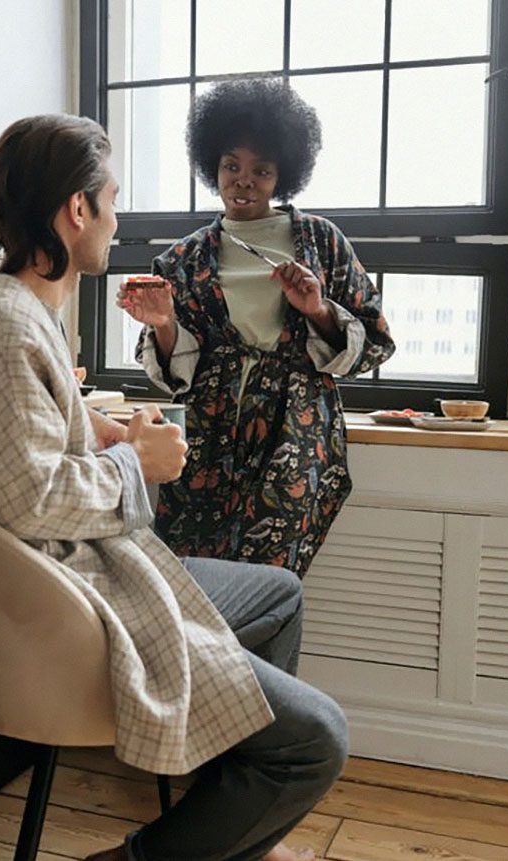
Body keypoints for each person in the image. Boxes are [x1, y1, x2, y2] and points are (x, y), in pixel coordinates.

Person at [0, 114, 347, 861]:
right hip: (69, 610)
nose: (118, 217)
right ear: (77, 210)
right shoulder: (7, 329)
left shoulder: (14, 312)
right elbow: (28, 497)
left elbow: (16, 448)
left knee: (280, 595)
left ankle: (236, 830)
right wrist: (135, 464)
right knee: (316, 741)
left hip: (77, 577)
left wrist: (95, 426)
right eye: (111, 199)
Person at [118, 78, 396, 578]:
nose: (243, 182)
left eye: (260, 171)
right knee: (191, 580)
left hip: (294, 434)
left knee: (269, 582)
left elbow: (375, 341)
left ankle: (259, 661)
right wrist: (163, 323)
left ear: (281, 175)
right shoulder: (183, 259)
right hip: (208, 435)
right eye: (231, 167)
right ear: (213, 168)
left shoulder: (321, 243)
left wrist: (316, 309)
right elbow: (177, 376)